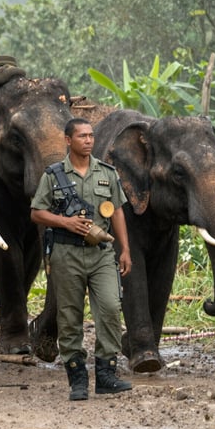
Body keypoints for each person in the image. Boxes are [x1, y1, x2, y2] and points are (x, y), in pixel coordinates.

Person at [30, 117, 133, 401]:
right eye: (82, 136)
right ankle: (77, 379)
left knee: (111, 308)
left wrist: (125, 249)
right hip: (67, 253)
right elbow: (37, 212)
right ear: (68, 140)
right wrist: (65, 222)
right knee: (70, 317)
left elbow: (119, 212)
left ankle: (106, 374)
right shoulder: (53, 175)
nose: (88, 140)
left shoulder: (107, 173)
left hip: (101, 254)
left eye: (91, 136)